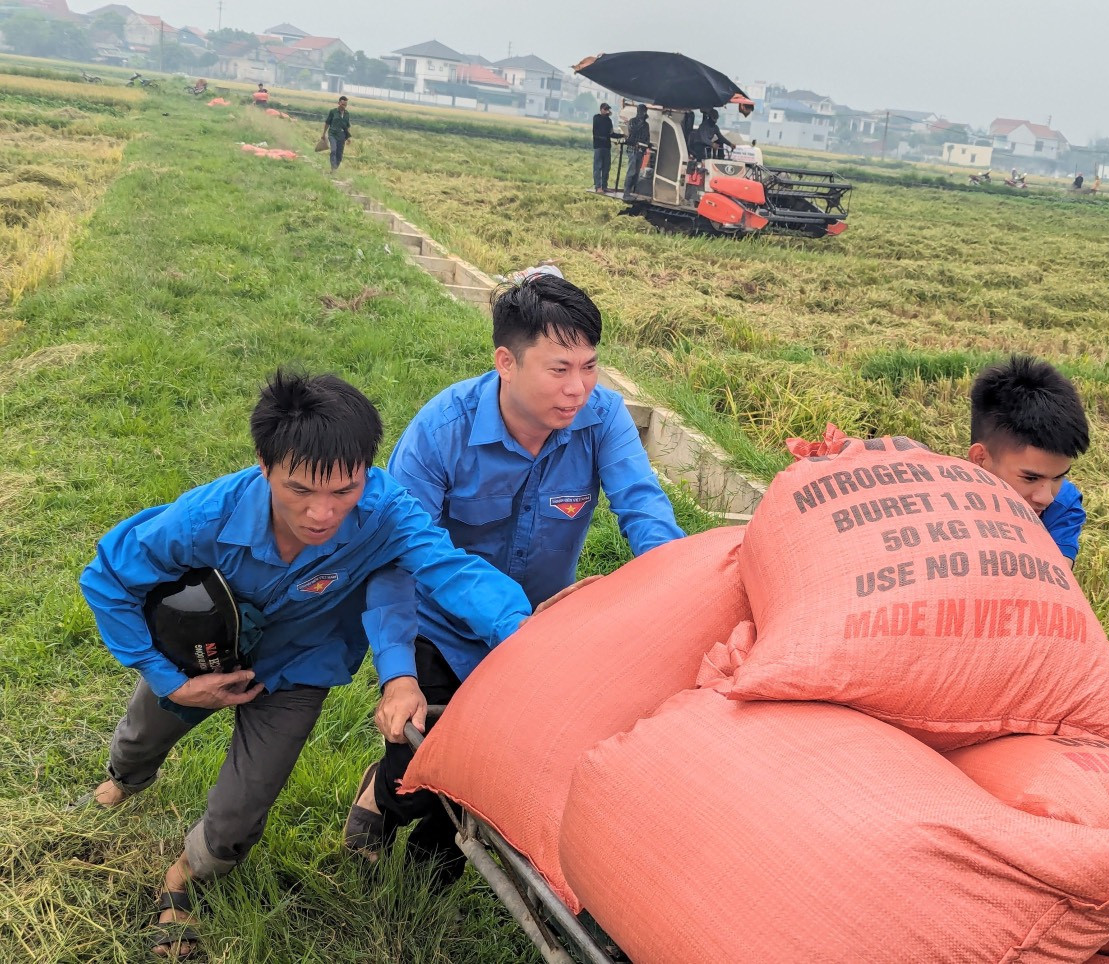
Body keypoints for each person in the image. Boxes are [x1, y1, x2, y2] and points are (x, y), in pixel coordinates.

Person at [79, 370, 534, 958]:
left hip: (296, 669)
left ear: (366, 473)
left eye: (344, 490)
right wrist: (172, 681)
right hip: (196, 658)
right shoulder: (205, 518)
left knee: (244, 808)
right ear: (264, 468)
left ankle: (186, 876)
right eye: (299, 490)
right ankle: (123, 780)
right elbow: (108, 578)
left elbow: (449, 570)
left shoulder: (389, 511)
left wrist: (525, 636)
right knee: (145, 733)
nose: (322, 513)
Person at [344, 274, 685, 878]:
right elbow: (392, 556)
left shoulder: (602, 418)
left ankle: (434, 860)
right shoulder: (441, 433)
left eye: (589, 366)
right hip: (440, 624)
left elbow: (644, 508)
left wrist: (683, 586)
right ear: (506, 361)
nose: (578, 388)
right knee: (416, 774)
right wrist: (397, 674)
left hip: (537, 628)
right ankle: (383, 791)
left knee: (492, 769)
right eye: (558, 369)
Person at [967, 355, 1090, 566]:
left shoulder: (1063, 506)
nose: (1046, 498)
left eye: (1059, 476)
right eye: (1031, 478)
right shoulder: (938, 498)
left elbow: (1057, 579)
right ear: (980, 459)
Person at [622, 103, 651, 198]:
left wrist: (646, 145)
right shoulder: (632, 121)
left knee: (637, 172)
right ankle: (626, 192)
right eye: (642, 111)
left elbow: (647, 137)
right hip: (632, 149)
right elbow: (633, 130)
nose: (643, 113)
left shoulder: (646, 125)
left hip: (641, 150)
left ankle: (632, 190)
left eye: (644, 111)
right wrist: (641, 122)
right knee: (631, 170)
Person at [322, 95, 352, 173]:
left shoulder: (347, 114)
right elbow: (327, 123)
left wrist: (348, 137)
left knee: (340, 154)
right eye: (343, 104)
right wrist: (324, 133)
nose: (344, 106)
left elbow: (348, 125)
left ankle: (335, 167)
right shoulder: (333, 112)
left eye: (345, 105)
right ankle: (333, 168)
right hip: (332, 134)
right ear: (339, 103)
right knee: (333, 150)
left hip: (342, 136)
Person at [591, 102, 614, 193]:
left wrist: (622, 136)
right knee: (598, 167)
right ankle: (598, 187)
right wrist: (603, 138)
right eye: (605, 109)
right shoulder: (596, 117)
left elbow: (611, 133)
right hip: (599, 146)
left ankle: (604, 186)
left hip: (607, 146)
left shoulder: (609, 120)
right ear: (601, 109)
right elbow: (596, 131)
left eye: (607, 109)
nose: (606, 111)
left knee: (606, 167)